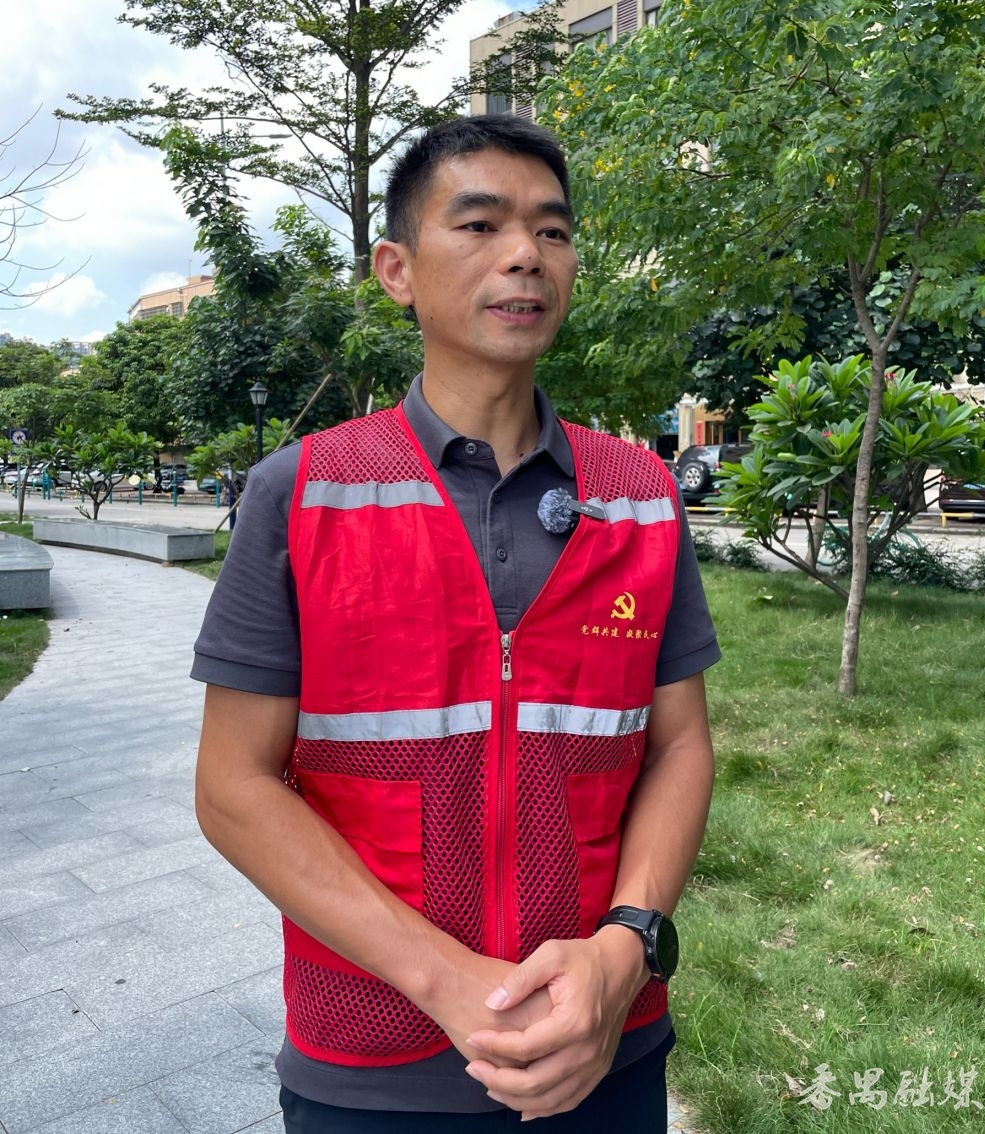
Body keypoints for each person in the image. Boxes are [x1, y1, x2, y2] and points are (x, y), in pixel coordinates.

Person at [191, 114, 718, 1133]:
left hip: (605, 1049)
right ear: (396, 269)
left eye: (552, 232)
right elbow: (232, 786)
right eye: (480, 225)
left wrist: (626, 949)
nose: (526, 254)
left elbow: (680, 745)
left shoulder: (641, 496)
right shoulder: (302, 493)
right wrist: (444, 978)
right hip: (371, 1065)